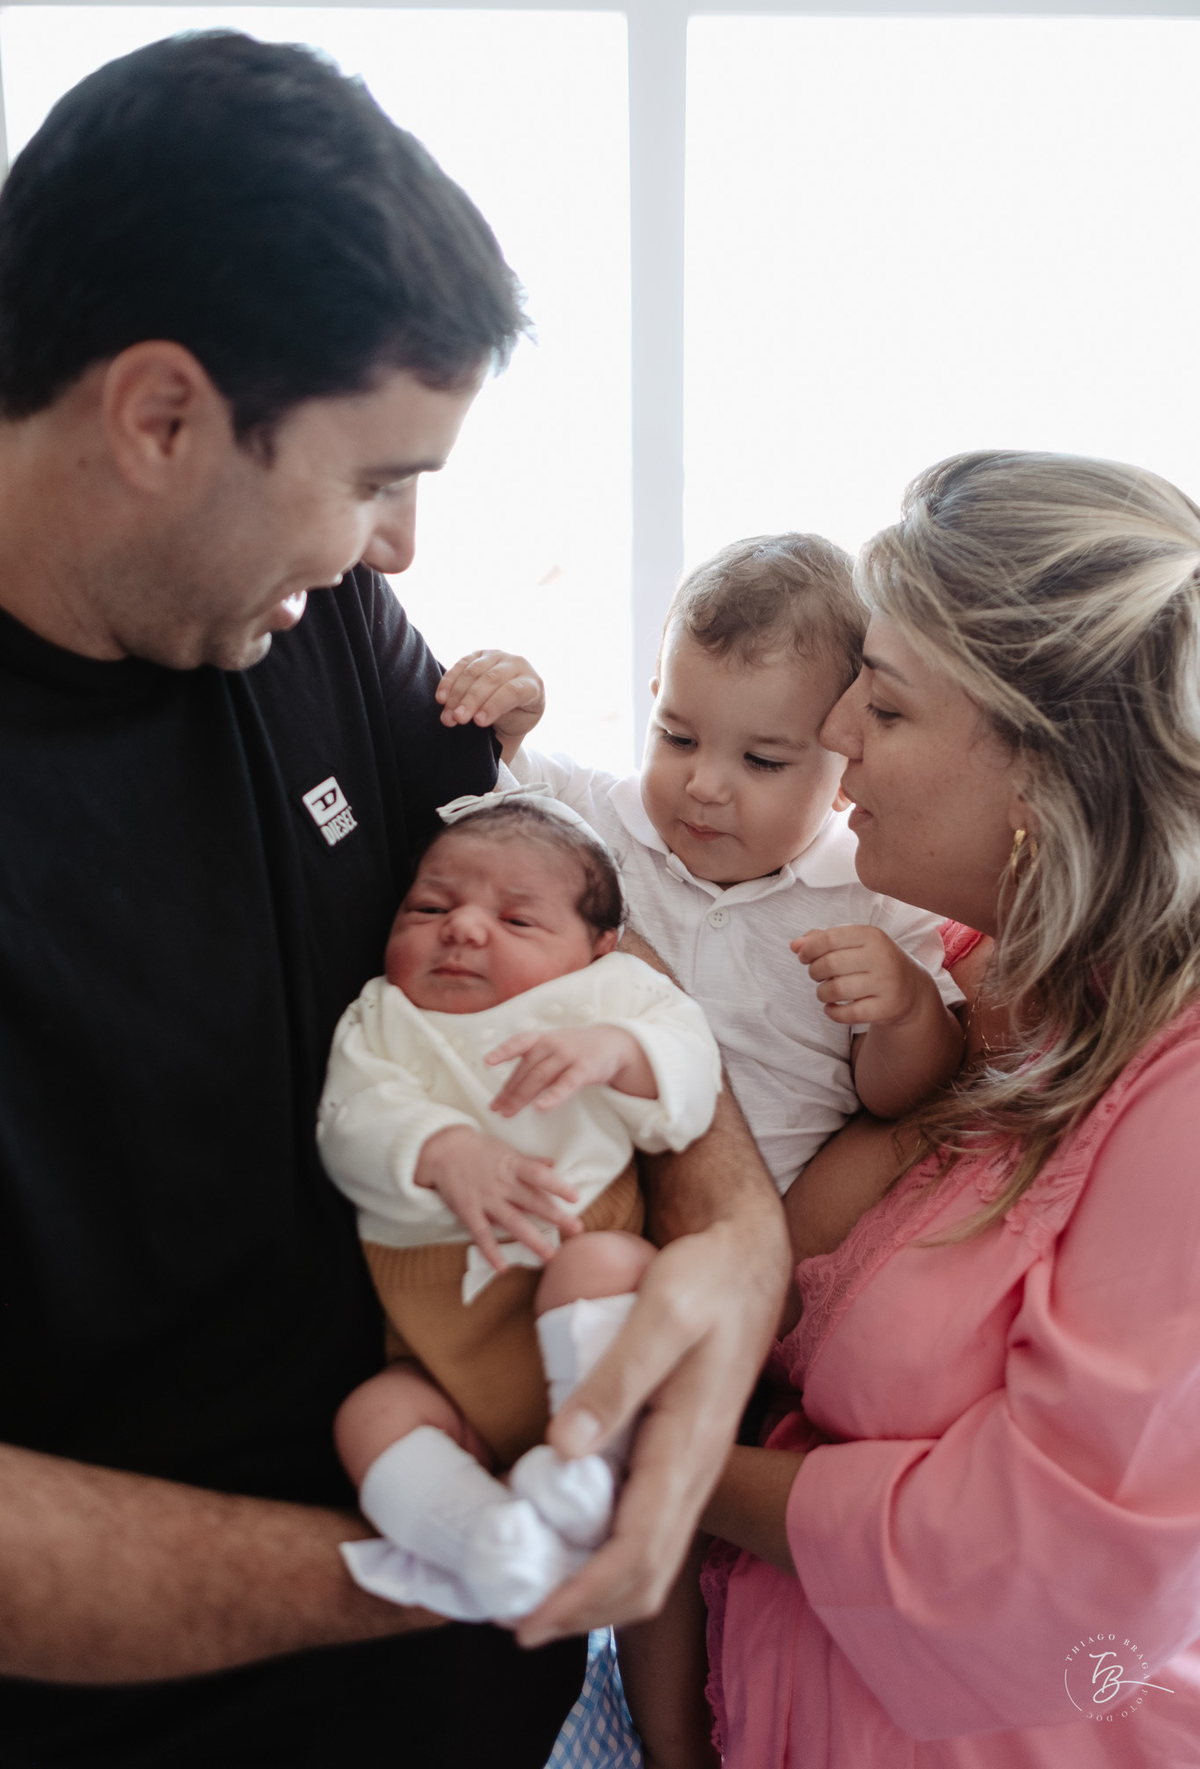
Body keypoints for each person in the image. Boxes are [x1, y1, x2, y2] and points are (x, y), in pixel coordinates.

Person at [0, 30, 789, 1769]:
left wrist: (737, 1240)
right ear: (158, 417)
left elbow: (565, 928)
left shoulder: (314, 622)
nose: (400, 548)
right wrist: (446, 1572)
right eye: (371, 480)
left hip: (493, 1694)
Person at [699, 449, 1200, 1766]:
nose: (835, 731)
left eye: (888, 703)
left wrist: (663, 1465)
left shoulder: (1183, 1103)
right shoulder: (977, 968)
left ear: (1049, 780)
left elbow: (1056, 1576)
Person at [446, 534, 965, 1194]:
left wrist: (908, 1011)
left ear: (845, 766)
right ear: (654, 703)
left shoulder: (874, 899)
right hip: (574, 1185)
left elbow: (897, 1100)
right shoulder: (594, 811)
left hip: (755, 1215)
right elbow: (489, 789)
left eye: (762, 761)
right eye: (678, 738)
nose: (705, 786)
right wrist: (507, 723)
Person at [316, 793, 719, 1618]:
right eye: (429, 908)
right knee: (373, 1415)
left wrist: (621, 1050)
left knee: (604, 1264)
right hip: (442, 1331)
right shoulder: (383, 1017)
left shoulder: (612, 992)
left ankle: (585, 1463)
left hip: (576, 1263)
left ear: (598, 947)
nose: (462, 929)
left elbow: (691, 1075)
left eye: (517, 919)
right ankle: (490, 1539)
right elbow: (348, 1121)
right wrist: (441, 1150)